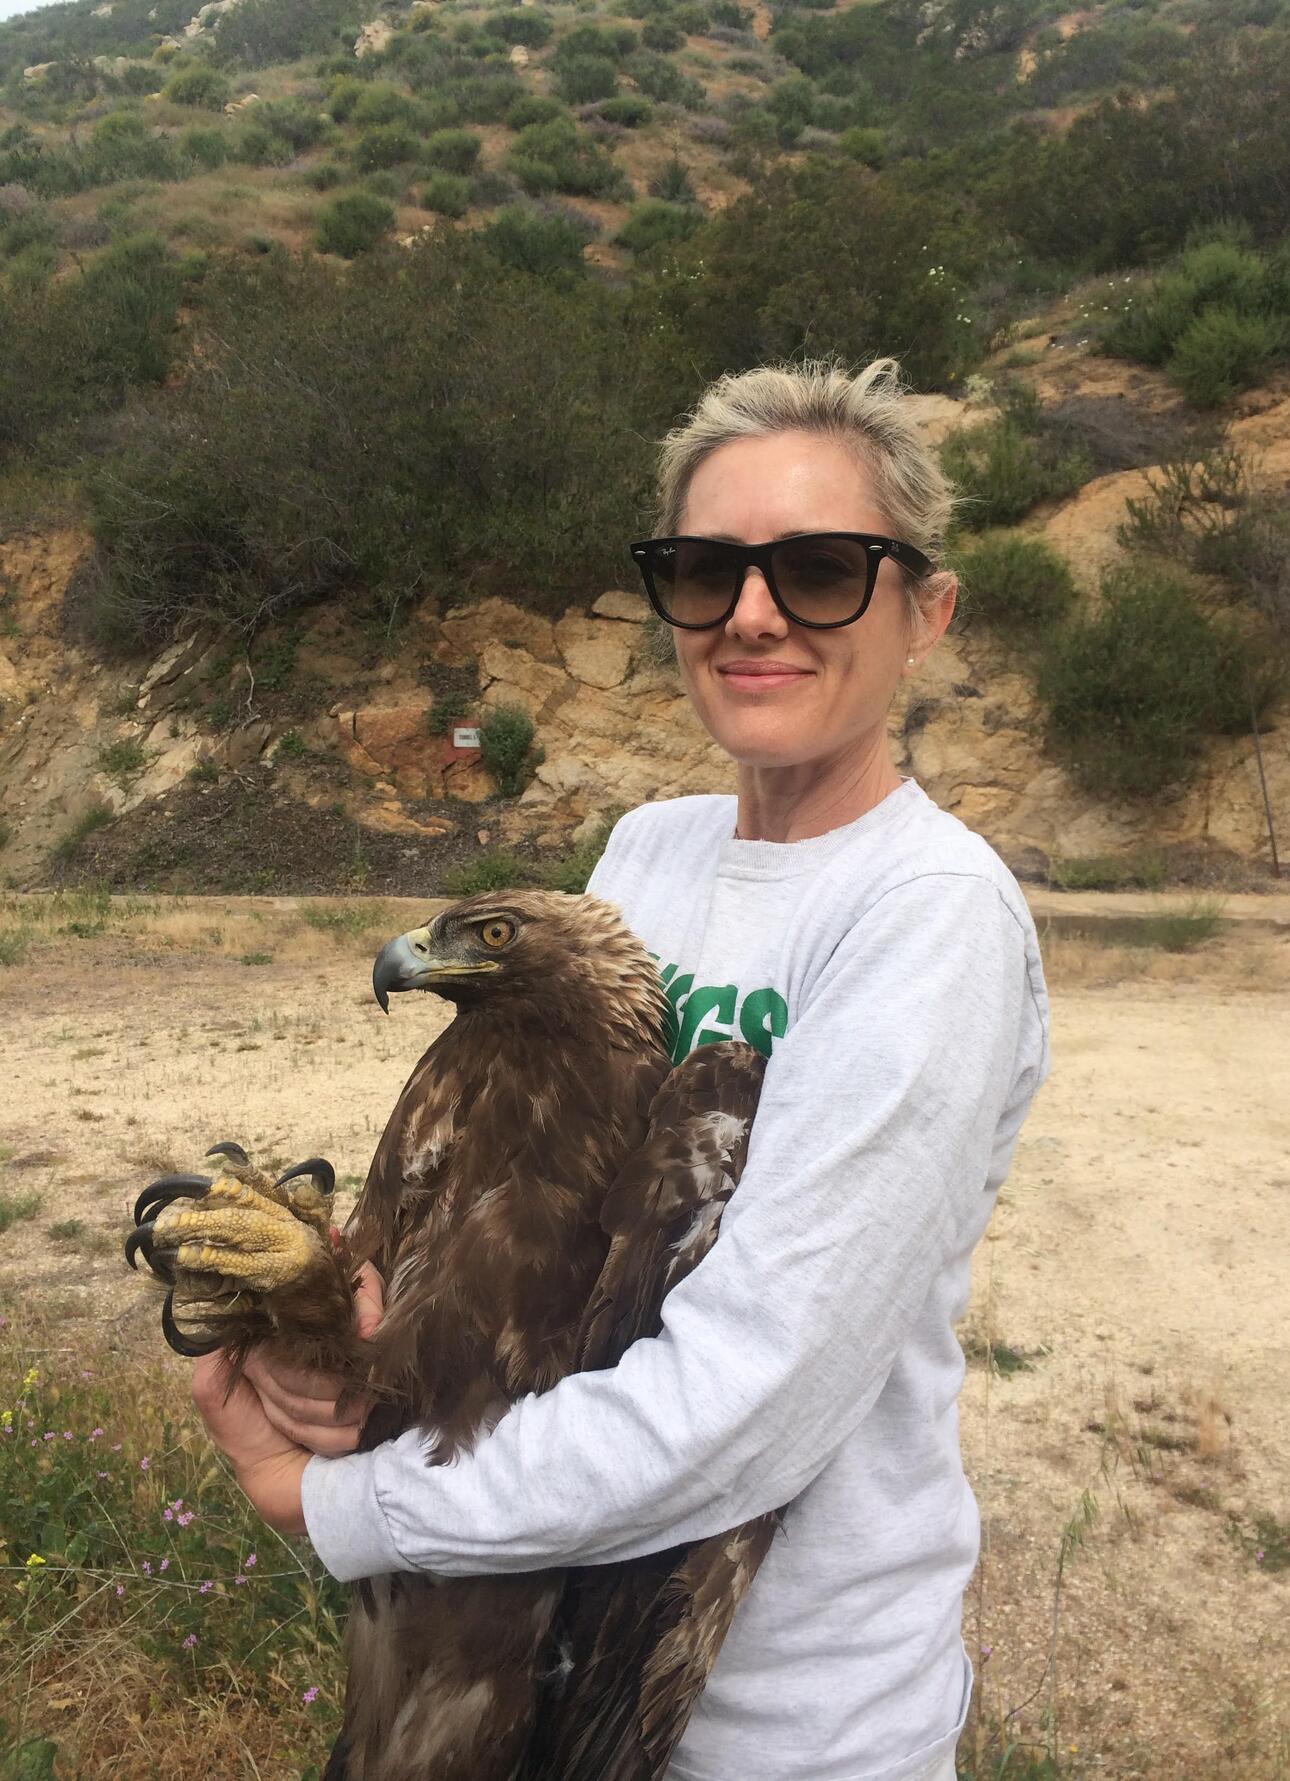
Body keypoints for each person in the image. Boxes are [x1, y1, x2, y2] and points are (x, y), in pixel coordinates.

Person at [193, 355, 1052, 1781]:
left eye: (823, 568)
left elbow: (748, 1401)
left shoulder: (928, 915)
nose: (754, 611)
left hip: (777, 1733)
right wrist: (346, 1338)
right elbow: (546, 1241)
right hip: (526, 1659)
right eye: (706, 569)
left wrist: (345, 1504)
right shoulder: (647, 855)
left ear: (928, 612)